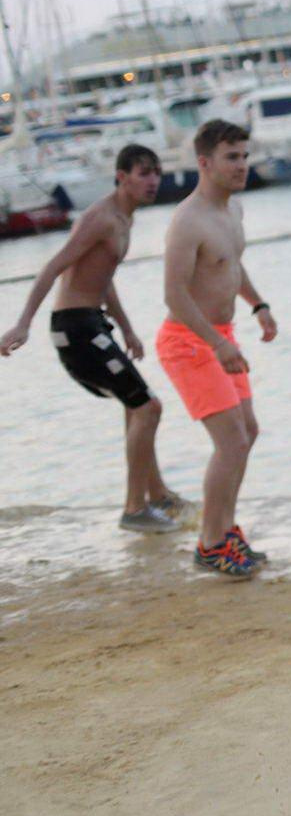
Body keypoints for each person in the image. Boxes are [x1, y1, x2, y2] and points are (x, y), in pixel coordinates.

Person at [0, 143, 183, 531]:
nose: (152, 181)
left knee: (135, 407)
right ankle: (135, 510)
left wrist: (128, 328)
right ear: (121, 177)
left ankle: (158, 497)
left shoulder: (123, 218)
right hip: (76, 328)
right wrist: (23, 323)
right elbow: (53, 267)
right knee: (148, 407)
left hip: (92, 324)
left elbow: (103, 277)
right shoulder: (99, 218)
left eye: (156, 173)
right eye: (143, 173)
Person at [158, 119, 278, 578]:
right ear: (204, 163)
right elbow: (174, 295)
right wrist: (215, 344)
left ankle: (225, 531)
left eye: (245, 155)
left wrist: (259, 305)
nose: (242, 165)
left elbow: (231, 266)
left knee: (247, 431)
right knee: (230, 440)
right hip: (188, 342)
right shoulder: (187, 222)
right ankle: (209, 544)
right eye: (232, 157)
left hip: (222, 335)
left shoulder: (233, 211)